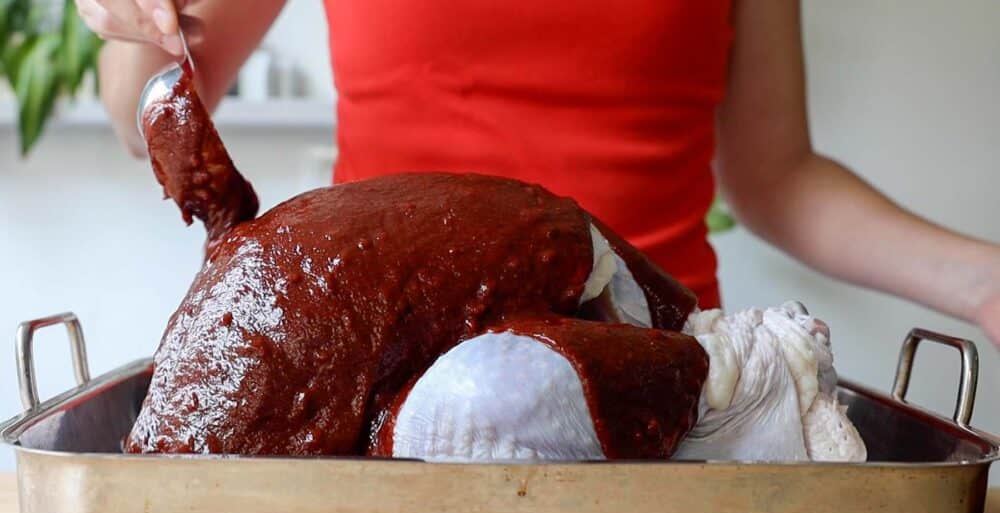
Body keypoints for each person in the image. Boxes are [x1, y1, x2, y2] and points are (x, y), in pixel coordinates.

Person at [76, 0, 1000, 345]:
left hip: (670, 377)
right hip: (389, 373)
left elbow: (774, 176)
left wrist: (984, 282)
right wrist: (132, 22)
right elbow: (142, 109)